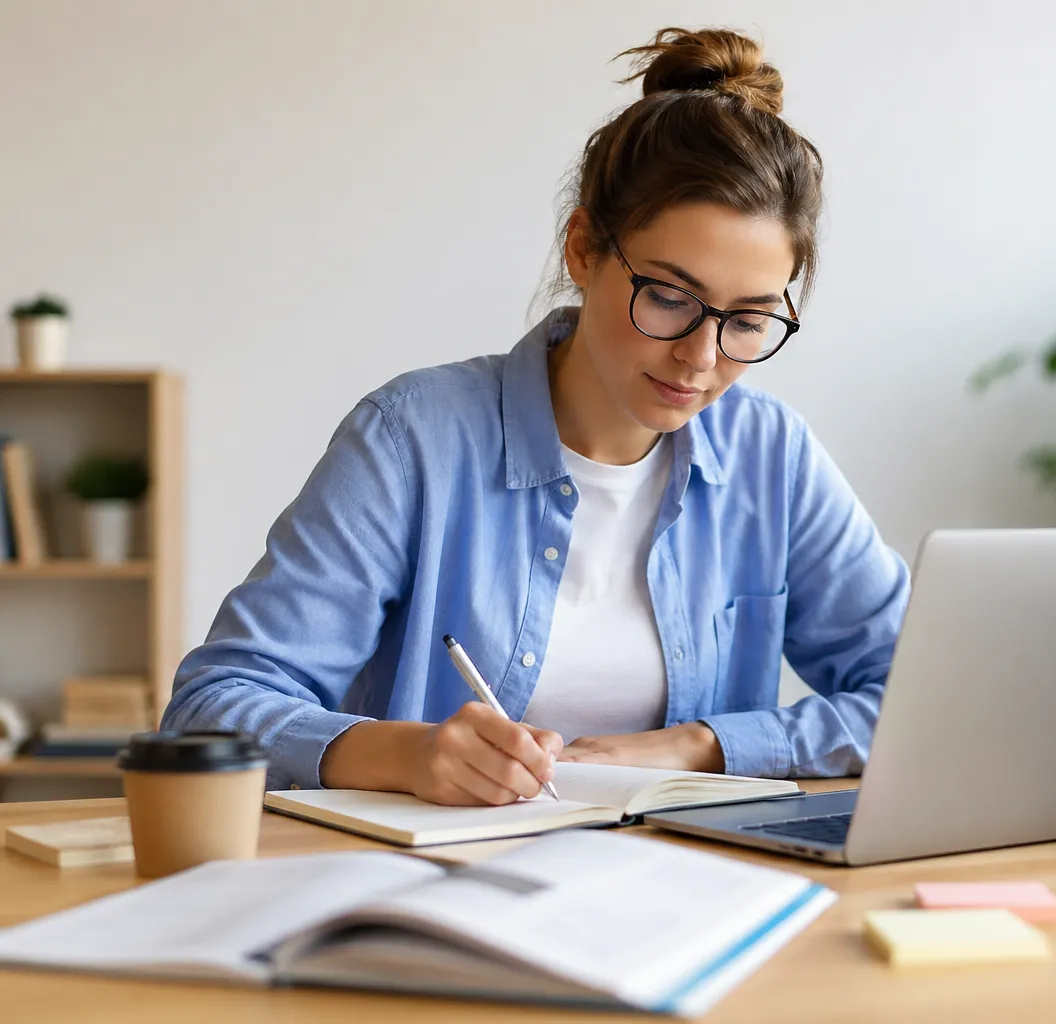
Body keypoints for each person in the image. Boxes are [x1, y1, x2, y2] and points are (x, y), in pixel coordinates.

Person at [163, 26, 910, 805]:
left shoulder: (771, 456)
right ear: (583, 249)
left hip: (692, 888)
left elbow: (922, 691)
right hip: (435, 893)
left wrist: (710, 746)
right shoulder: (414, 438)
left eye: (749, 320)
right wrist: (403, 756)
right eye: (667, 297)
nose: (700, 355)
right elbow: (211, 708)